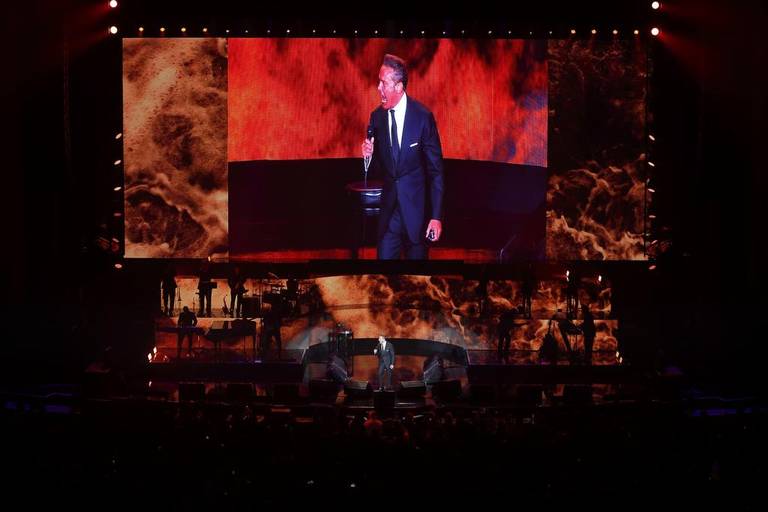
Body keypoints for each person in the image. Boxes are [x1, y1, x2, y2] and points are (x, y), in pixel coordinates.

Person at [361, 54, 445, 260]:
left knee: (415, 278)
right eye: (379, 82)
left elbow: (436, 172)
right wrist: (368, 156)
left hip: (417, 217)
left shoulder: (422, 117)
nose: (378, 87)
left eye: (383, 83)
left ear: (399, 87)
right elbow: (379, 170)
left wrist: (436, 217)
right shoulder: (376, 117)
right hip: (389, 216)